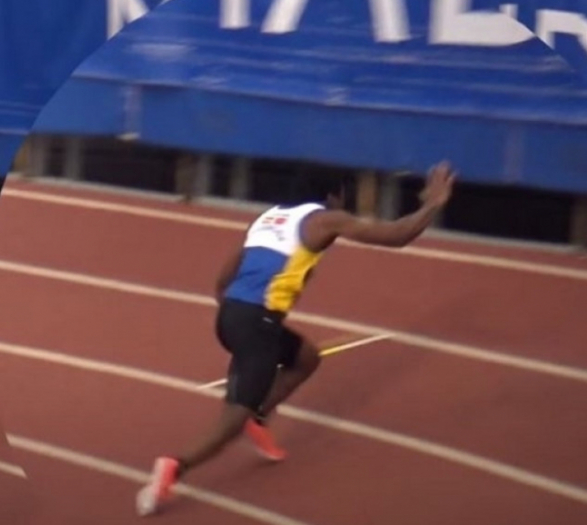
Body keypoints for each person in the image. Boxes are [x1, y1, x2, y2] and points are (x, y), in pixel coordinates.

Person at [136, 161, 457, 516]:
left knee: (305, 358)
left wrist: (243, 318)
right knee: (232, 419)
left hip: (232, 316)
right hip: (257, 323)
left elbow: (223, 281)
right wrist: (433, 204)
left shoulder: (268, 218)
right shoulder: (325, 219)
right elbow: (397, 235)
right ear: (334, 194)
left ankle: (258, 415)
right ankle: (174, 467)